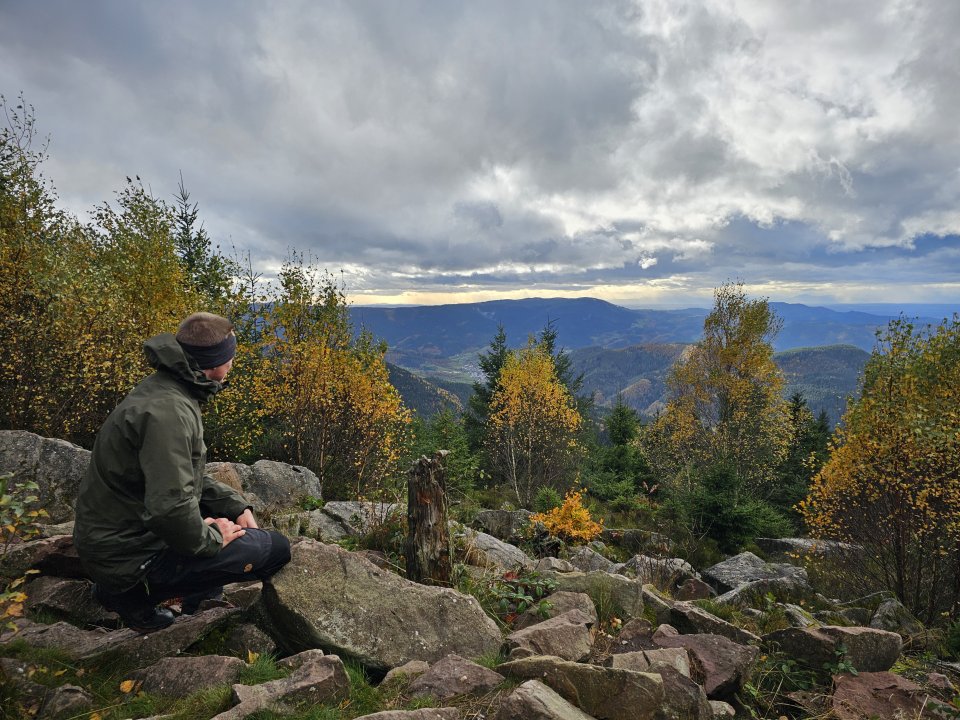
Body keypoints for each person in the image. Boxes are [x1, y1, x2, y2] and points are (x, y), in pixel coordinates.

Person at [74, 312, 290, 632]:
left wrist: (234, 506)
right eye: (230, 356)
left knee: (221, 518)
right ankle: (133, 598)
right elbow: (170, 508)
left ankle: (189, 599)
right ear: (215, 362)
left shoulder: (166, 390)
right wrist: (214, 538)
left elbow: (181, 477)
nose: (233, 363)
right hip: (129, 558)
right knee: (274, 549)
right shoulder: (170, 414)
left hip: (116, 538)